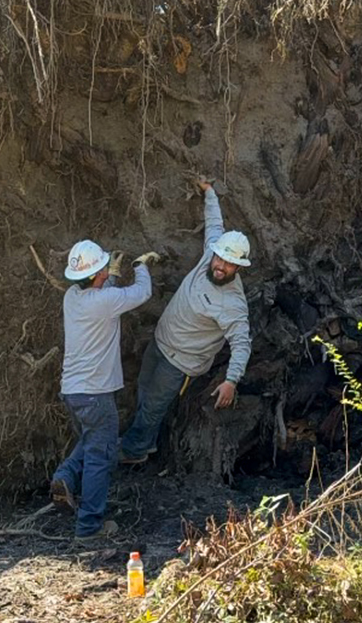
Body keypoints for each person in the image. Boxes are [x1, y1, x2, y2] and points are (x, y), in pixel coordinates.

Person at [119, 180, 252, 464]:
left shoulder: (233, 304)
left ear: (239, 268)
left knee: (154, 405)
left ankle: (133, 451)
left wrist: (231, 381)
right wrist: (209, 192)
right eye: (220, 258)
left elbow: (241, 343)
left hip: (180, 362)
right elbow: (214, 222)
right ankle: (148, 442)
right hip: (160, 340)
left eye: (229, 264)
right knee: (143, 390)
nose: (220, 266)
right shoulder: (210, 255)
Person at [50, 240, 159, 540]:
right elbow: (141, 293)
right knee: (101, 457)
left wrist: (110, 273)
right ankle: (89, 528)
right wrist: (141, 268)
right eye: (102, 271)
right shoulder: (103, 301)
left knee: (91, 441)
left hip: (73, 392)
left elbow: (103, 292)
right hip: (96, 395)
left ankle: (65, 476)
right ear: (96, 275)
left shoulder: (73, 297)